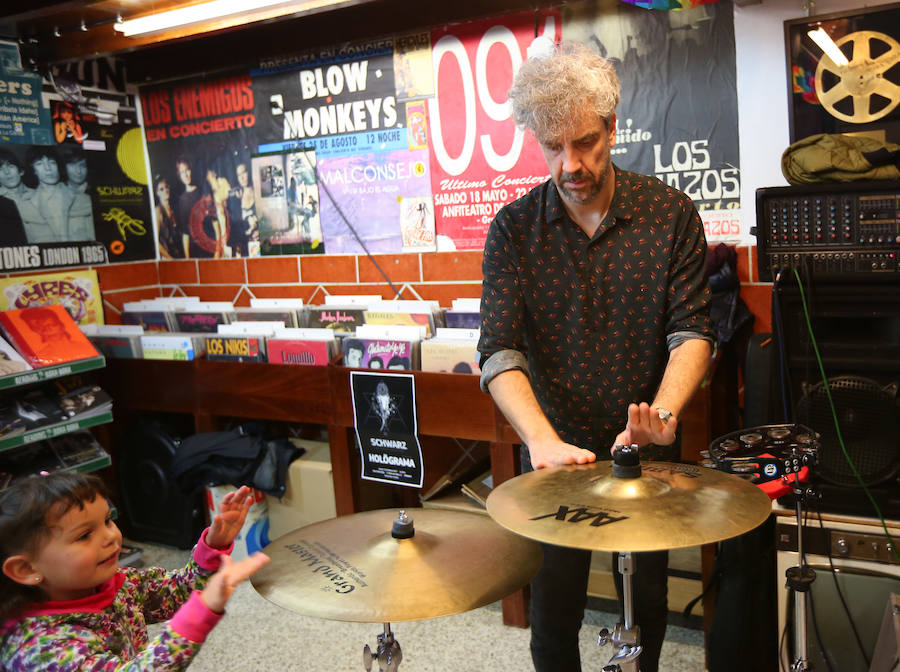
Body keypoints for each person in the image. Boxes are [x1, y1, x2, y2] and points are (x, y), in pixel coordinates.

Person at [477, 39, 713, 672]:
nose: (569, 163)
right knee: (553, 606)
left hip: (646, 441)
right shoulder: (514, 230)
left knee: (647, 598)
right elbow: (498, 351)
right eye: (553, 147)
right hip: (556, 452)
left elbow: (693, 330)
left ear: (612, 126)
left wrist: (661, 415)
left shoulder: (668, 214)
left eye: (584, 142)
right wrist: (541, 441)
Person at [0, 472, 269, 671]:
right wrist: (199, 615)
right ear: (25, 569)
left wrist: (213, 546)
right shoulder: (43, 651)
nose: (110, 537)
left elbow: (175, 594)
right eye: (84, 535)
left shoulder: (116, 583)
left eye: (107, 520)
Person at [24, 146, 75, 243]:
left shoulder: (79, 197)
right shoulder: (26, 204)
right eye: (39, 164)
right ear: (34, 170)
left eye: (52, 162)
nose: (48, 168)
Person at [59, 144, 95, 241]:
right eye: (72, 165)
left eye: (82, 165)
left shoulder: (95, 193)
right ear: (64, 168)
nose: (78, 171)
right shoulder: (58, 193)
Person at [227, 162, 258, 257]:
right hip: (243, 248)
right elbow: (234, 225)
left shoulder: (258, 192)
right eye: (239, 175)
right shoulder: (236, 197)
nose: (242, 177)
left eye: (244, 172)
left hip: (260, 245)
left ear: (249, 172)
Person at [175, 157, 201, 258]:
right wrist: (187, 258)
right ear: (179, 176)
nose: (185, 175)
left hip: (208, 245)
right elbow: (185, 233)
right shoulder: (182, 200)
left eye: (187, 170)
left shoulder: (201, 192)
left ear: (191, 170)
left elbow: (214, 222)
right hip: (193, 250)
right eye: (182, 172)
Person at [154, 176, 181, 259]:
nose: (165, 190)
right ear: (157, 193)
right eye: (161, 189)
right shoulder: (158, 211)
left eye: (166, 187)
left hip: (177, 254)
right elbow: (156, 242)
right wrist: (170, 259)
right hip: (166, 257)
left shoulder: (173, 209)